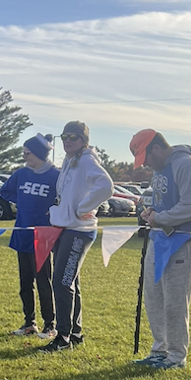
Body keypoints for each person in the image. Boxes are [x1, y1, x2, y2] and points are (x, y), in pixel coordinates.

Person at [129, 130, 191, 370]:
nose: (147, 164)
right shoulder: (161, 168)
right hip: (159, 237)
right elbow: (164, 199)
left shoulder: (185, 163)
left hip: (181, 240)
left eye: (146, 157)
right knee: (154, 297)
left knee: (174, 300)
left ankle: (175, 356)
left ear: (156, 148)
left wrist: (161, 218)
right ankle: (159, 350)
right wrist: (151, 213)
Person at [41, 121, 114, 353]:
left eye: (73, 136)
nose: (67, 140)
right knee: (71, 281)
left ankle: (62, 337)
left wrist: (84, 208)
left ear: (84, 140)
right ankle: (75, 331)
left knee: (62, 281)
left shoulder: (86, 159)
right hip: (64, 227)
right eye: (64, 136)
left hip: (78, 231)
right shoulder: (69, 161)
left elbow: (106, 186)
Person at [0, 133, 59, 339]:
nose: (24, 157)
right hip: (22, 234)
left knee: (44, 281)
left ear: (39, 153)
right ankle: (29, 323)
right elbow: (5, 191)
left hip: (43, 237)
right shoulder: (21, 174)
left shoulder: (55, 175)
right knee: (25, 282)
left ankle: (50, 325)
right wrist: (22, 201)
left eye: (27, 153)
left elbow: (63, 199)